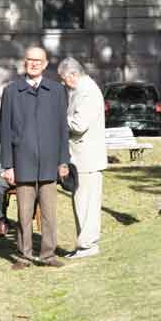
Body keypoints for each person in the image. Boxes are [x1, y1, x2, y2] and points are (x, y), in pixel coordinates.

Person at [0, 46, 70, 270]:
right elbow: (5, 130)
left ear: (45, 64)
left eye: (38, 60)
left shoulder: (57, 90)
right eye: (30, 60)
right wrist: (7, 165)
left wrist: (63, 160)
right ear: (24, 62)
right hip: (22, 163)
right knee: (24, 213)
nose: (34, 63)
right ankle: (23, 255)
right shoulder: (12, 91)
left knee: (49, 213)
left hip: (50, 163)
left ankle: (48, 254)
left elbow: (62, 129)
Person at [58, 57, 107, 259]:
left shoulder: (86, 91)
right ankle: (83, 244)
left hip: (87, 157)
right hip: (82, 157)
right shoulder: (81, 90)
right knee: (81, 202)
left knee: (87, 203)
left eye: (64, 78)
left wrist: (58, 119)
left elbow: (79, 125)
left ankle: (88, 245)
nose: (63, 83)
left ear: (73, 75)